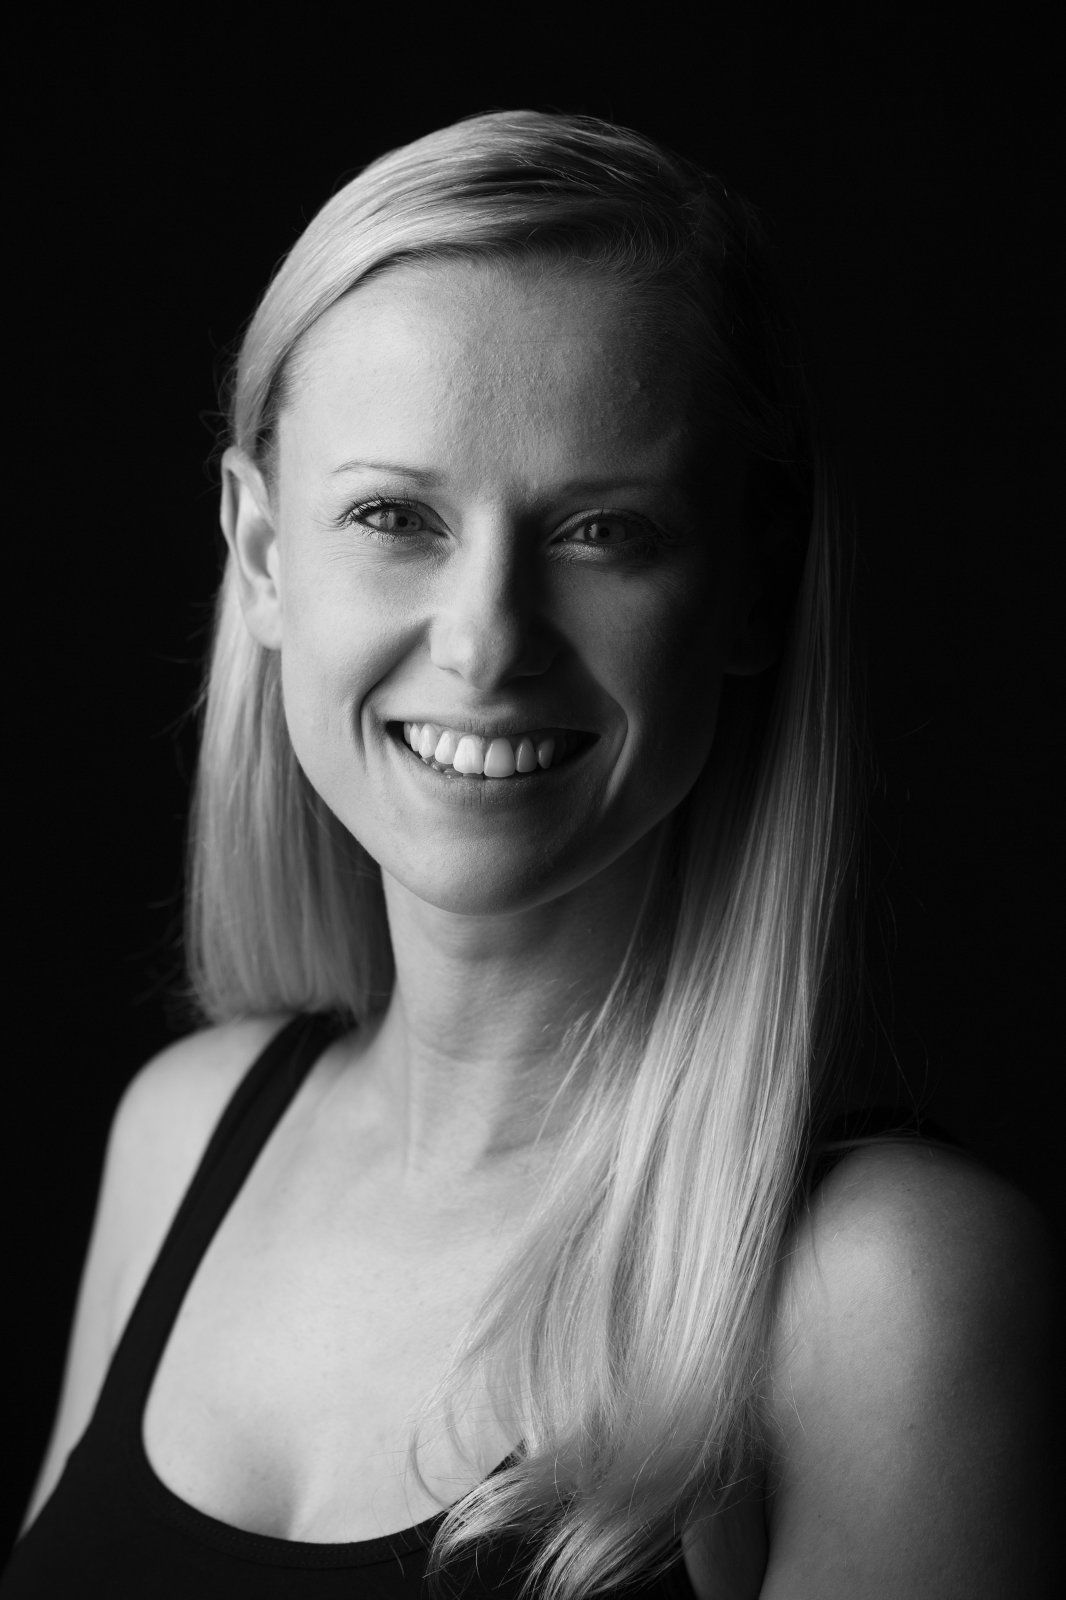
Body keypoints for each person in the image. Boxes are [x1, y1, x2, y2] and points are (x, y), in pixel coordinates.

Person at [4, 110, 1058, 1600]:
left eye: (602, 531)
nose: (488, 640)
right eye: (393, 515)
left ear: (752, 585)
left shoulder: (883, 1294)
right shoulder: (181, 1133)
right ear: (262, 554)